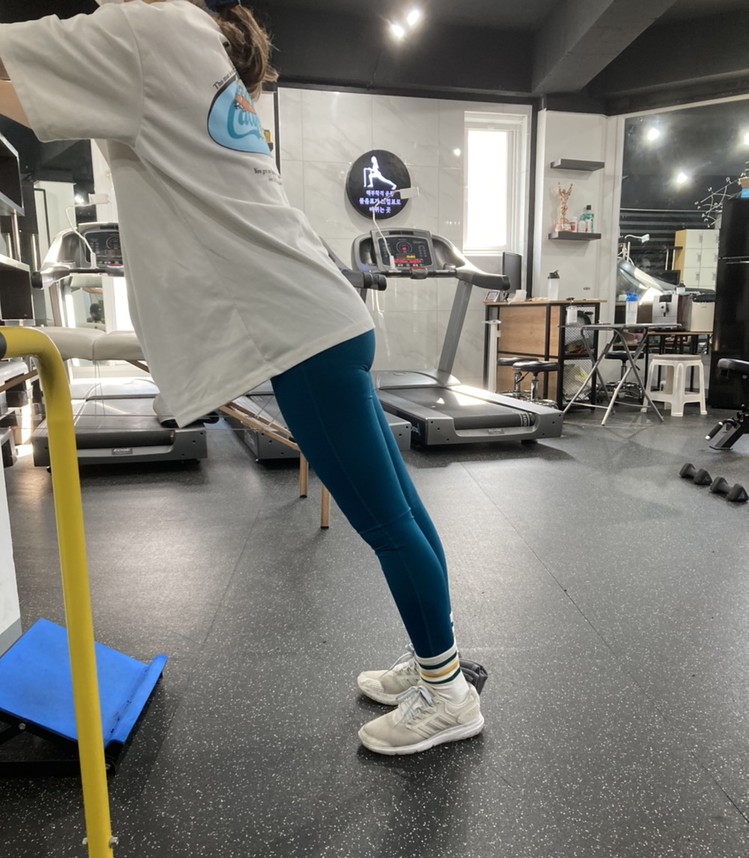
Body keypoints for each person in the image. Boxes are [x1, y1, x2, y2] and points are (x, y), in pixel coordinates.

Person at [0, 0, 484, 755]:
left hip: (302, 336)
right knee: (406, 516)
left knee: (388, 526)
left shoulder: (144, 30)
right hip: (328, 318)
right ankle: (435, 664)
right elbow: (32, 91)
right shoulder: (197, 60)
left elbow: (19, 70)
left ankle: (448, 694)